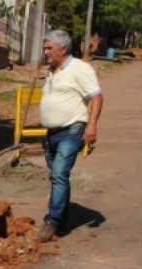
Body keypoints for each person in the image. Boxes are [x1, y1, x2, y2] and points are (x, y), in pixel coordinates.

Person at [38, 30, 104, 242]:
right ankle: (63, 223)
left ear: (64, 49)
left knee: (58, 174)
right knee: (58, 177)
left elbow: (97, 96)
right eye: (45, 48)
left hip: (72, 130)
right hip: (52, 133)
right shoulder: (52, 71)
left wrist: (91, 125)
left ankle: (52, 221)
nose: (45, 52)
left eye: (50, 48)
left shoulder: (79, 68)